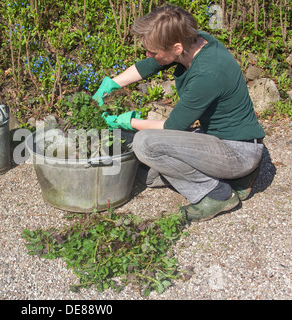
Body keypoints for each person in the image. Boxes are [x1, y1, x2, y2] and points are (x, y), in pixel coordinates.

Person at [92, 4, 265, 222]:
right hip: (218, 139)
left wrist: (126, 121)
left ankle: (217, 194)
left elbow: (171, 127)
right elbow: (150, 65)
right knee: (148, 174)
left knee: (144, 143)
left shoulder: (207, 75)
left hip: (238, 151)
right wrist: (111, 84)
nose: (148, 54)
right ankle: (239, 179)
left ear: (176, 48)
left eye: (153, 51)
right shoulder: (194, 40)